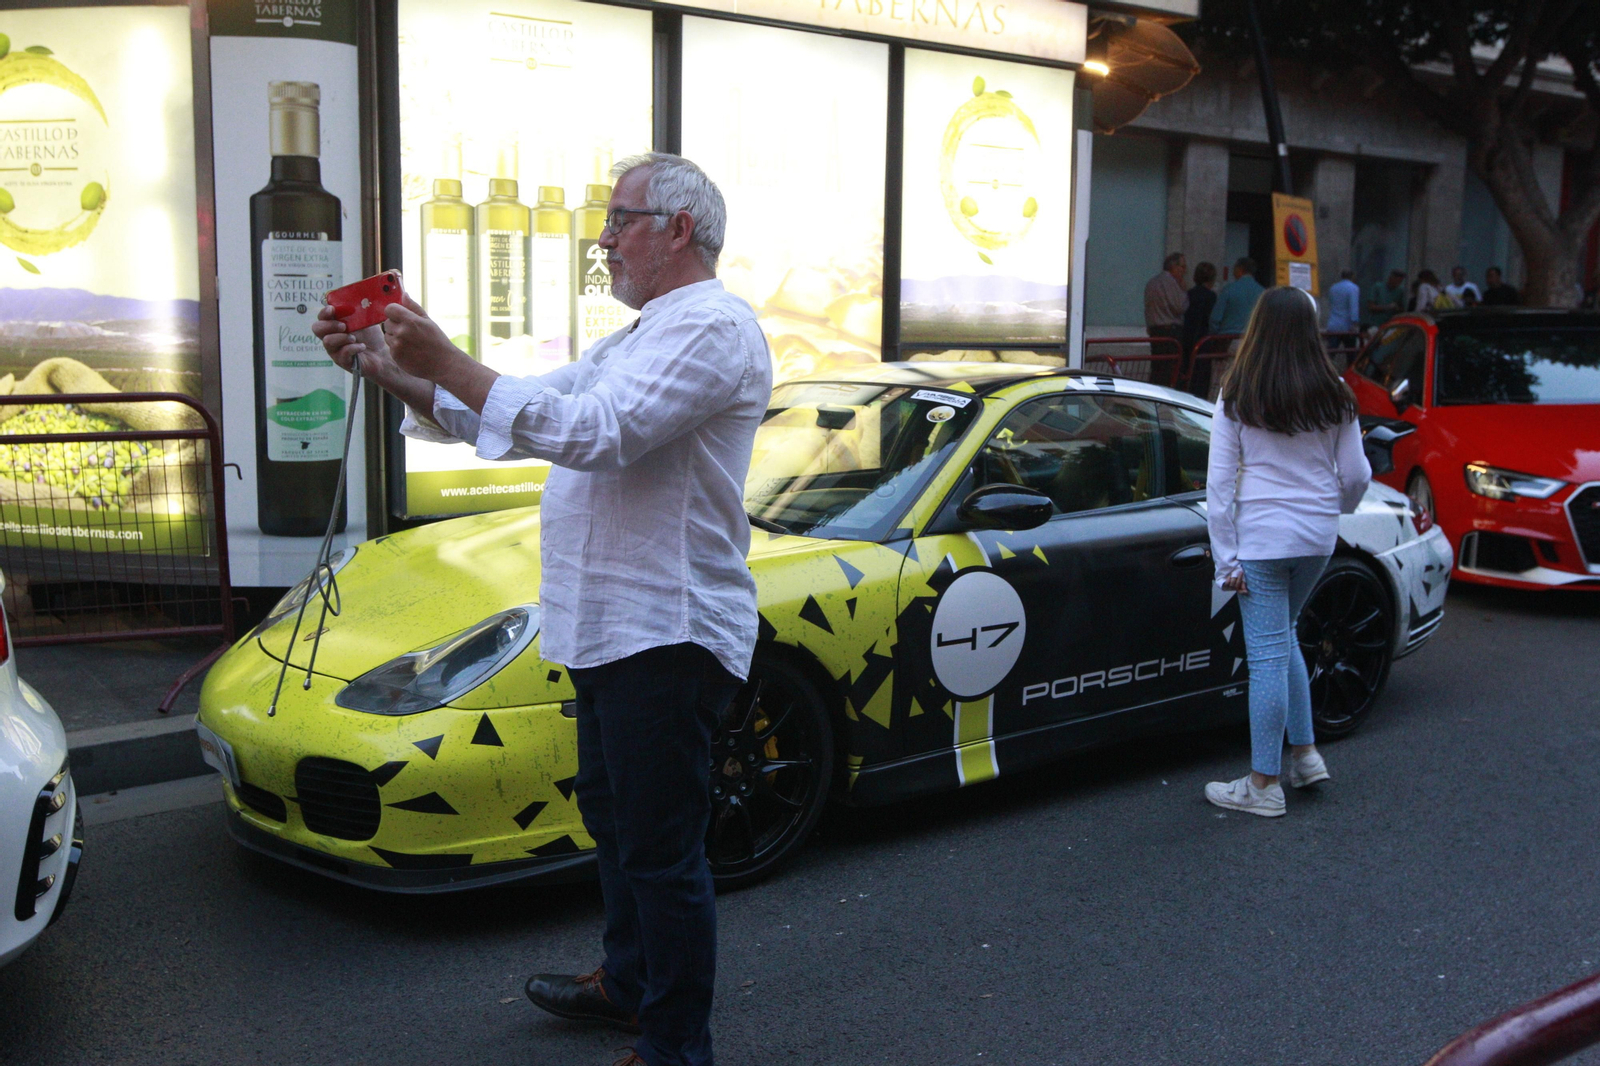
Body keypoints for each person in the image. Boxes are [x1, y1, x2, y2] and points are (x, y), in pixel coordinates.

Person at [313, 153, 771, 1066]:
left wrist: (446, 358)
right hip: (615, 629)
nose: (604, 238)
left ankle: (676, 1046)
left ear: (678, 229)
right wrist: (390, 367)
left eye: (619, 219)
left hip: (667, 632)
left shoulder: (713, 328)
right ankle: (631, 983)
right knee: (617, 826)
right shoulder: (640, 337)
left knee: (660, 851)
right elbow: (521, 413)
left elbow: (595, 434)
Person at [1203, 286, 1370, 817]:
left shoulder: (1239, 390)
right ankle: (1306, 755)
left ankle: (1262, 785)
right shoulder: (1336, 392)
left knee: (1268, 657)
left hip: (1261, 540)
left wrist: (1226, 561)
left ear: (1259, 327)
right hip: (1316, 538)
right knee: (1287, 634)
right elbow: (1357, 475)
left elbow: (1218, 487)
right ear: (1311, 329)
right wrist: (1333, 509)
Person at [1144, 252, 1188, 384]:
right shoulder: (1171, 283)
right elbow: (1179, 306)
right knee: (1170, 371)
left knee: (1157, 369)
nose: (1184, 271)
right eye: (1182, 267)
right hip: (1170, 332)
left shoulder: (1152, 283)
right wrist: (1184, 291)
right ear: (1174, 267)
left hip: (1155, 331)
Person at [1182, 260, 1219, 392]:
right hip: (1204, 340)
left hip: (1187, 337)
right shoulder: (1211, 297)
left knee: (1188, 372)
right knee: (1202, 377)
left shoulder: (1189, 294)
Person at [1210, 257, 1265, 336]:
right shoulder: (1262, 292)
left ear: (1240, 269)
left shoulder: (1228, 289)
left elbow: (1215, 319)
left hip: (1228, 337)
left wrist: (1216, 335)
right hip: (1252, 337)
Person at [1326, 268, 1361, 335]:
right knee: (1349, 342)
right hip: (1347, 326)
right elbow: (1353, 307)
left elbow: (1330, 304)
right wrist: (1355, 323)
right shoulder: (1353, 288)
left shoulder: (1333, 288)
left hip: (1332, 325)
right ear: (1352, 276)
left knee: (1332, 342)